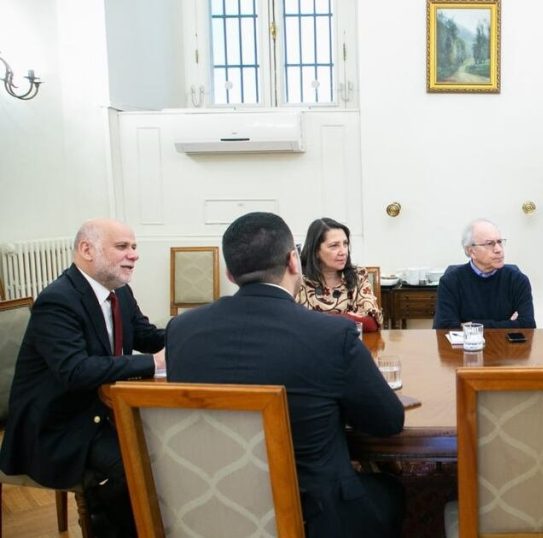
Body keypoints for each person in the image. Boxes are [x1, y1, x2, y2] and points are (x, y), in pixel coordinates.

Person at [165, 212, 405, 537]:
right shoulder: (331, 335)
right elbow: (387, 422)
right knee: (392, 489)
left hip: (212, 504)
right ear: (294, 262)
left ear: (229, 273)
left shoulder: (182, 330)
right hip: (314, 513)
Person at [0, 218, 166, 538]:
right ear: (86, 249)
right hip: (58, 424)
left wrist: (196, 332)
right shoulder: (58, 300)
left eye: (134, 247)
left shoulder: (120, 292)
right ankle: (107, 526)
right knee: (135, 467)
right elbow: (76, 371)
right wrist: (152, 363)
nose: (134, 254)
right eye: (122, 247)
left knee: (160, 451)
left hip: (98, 410)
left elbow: (146, 336)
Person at [432, 218, 536, 329]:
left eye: (500, 242)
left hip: (507, 346)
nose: (498, 249)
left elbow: (528, 325)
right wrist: (509, 324)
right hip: (466, 346)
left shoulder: (517, 280)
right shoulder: (450, 282)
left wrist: (468, 325)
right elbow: (444, 328)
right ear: (472, 251)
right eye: (490, 244)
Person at [296, 217, 384, 331]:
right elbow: (291, 322)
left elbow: (371, 323)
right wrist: (349, 317)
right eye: (334, 246)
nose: (343, 252)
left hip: (348, 345)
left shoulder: (358, 276)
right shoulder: (298, 279)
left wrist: (313, 318)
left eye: (345, 244)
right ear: (316, 251)